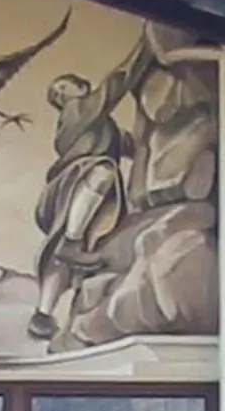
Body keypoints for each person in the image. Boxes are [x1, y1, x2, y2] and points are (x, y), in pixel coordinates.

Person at [27, 26, 156, 341]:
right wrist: (147, 45)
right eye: (59, 91)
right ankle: (73, 242)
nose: (64, 90)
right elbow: (117, 82)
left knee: (68, 252)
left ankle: (43, 315)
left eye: (64, 85)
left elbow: (130, 144)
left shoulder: (99, 124)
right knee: (103, 172)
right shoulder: (78, 111)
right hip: (75, 184)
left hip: (87, 198)